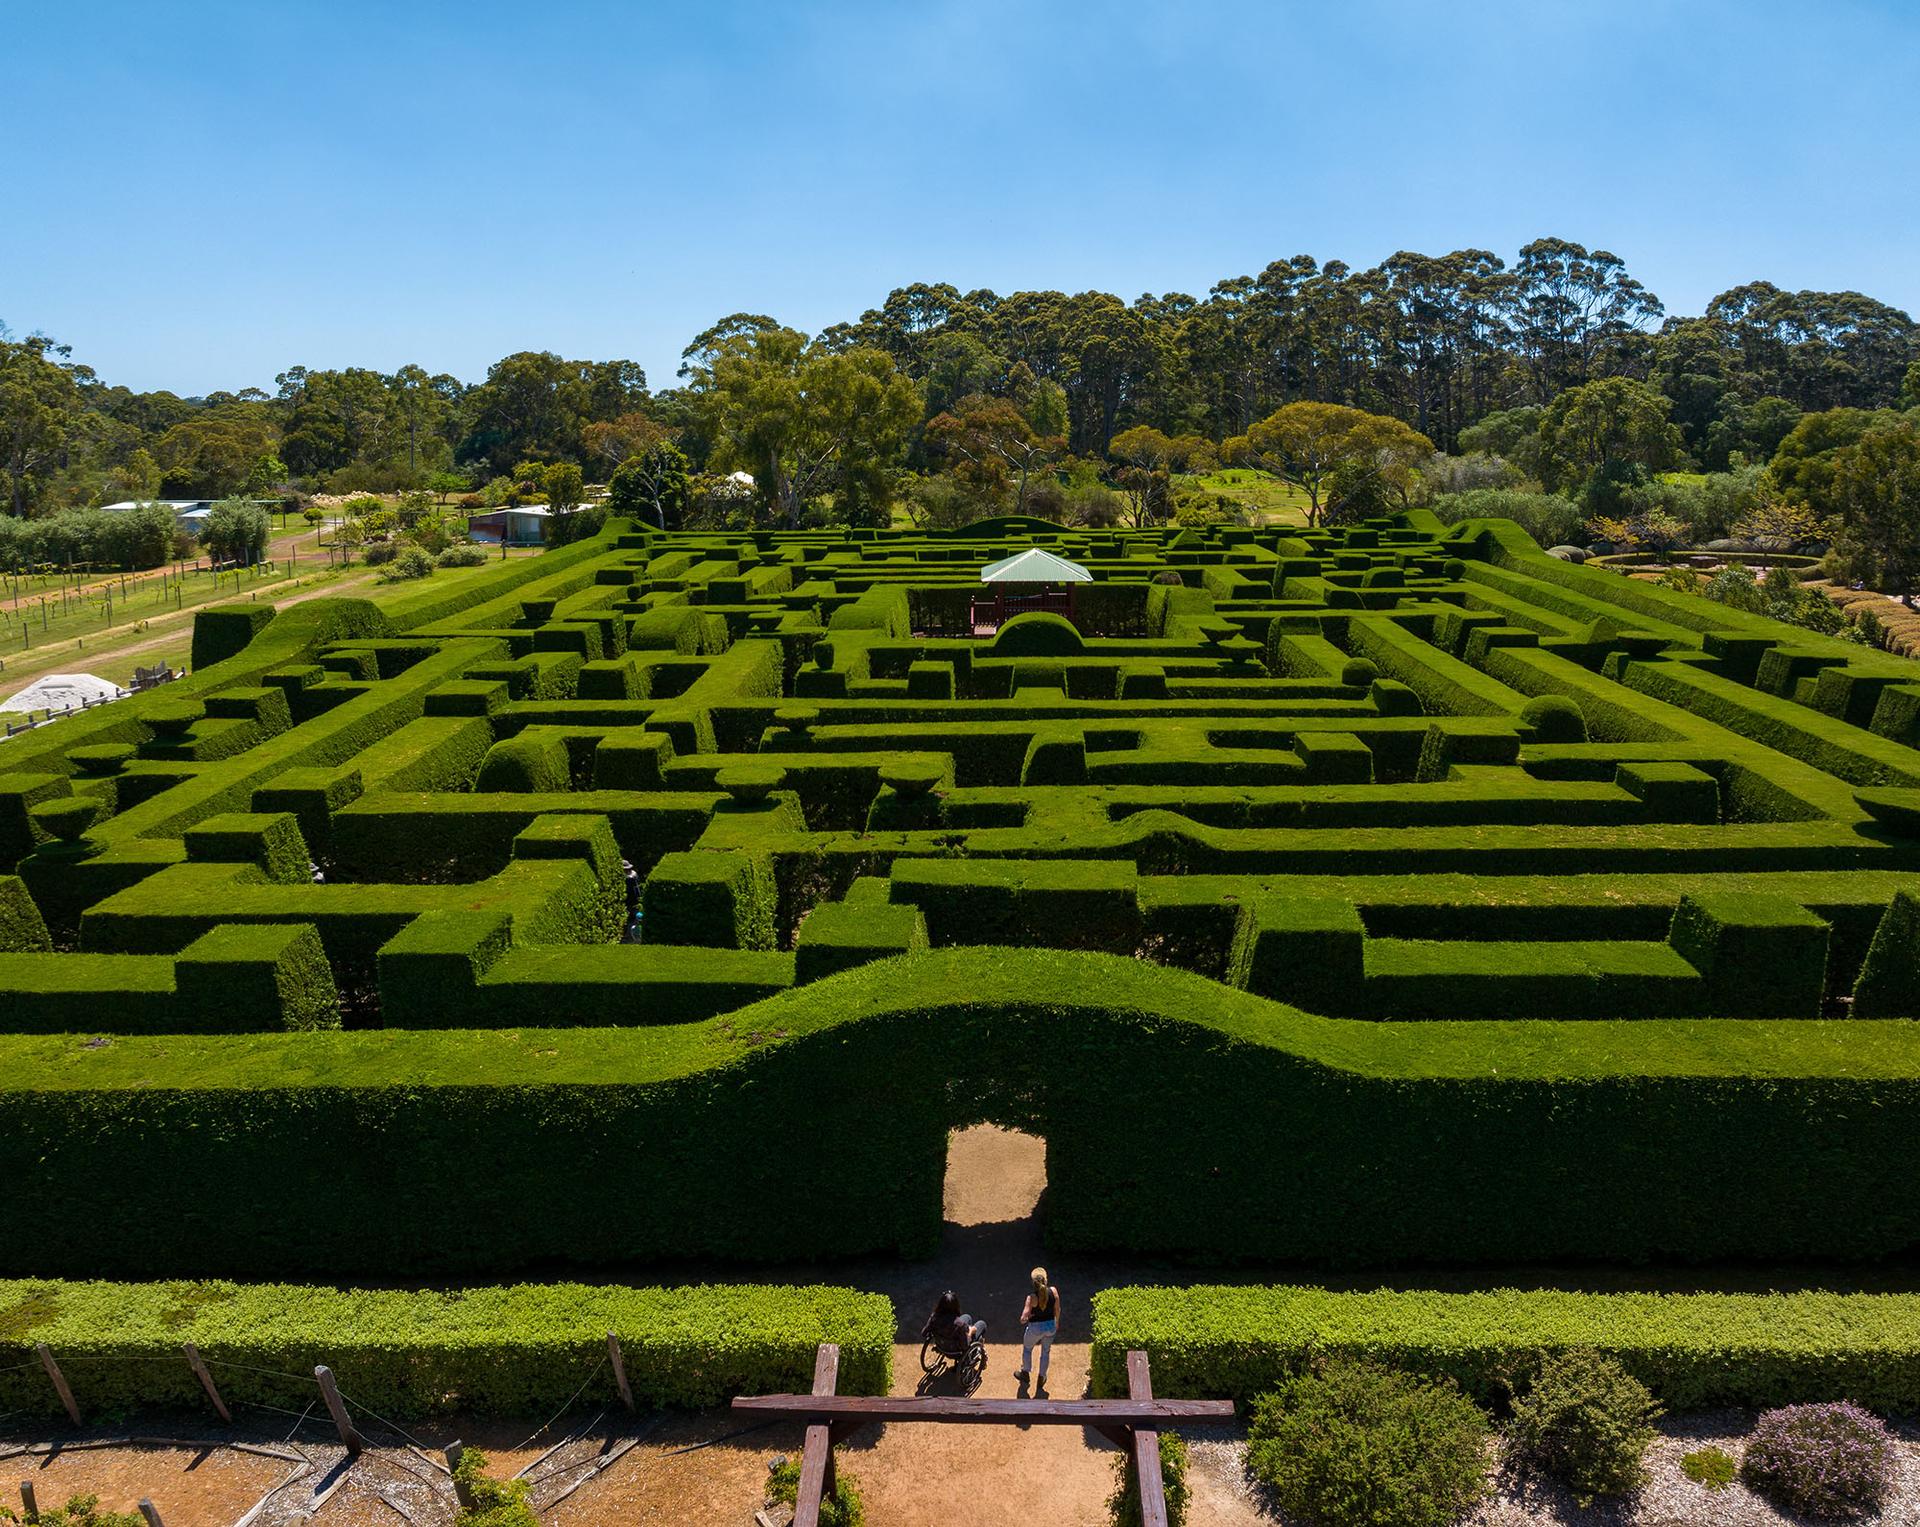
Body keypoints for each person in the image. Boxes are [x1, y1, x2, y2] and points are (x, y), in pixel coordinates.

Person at [1015, 1267, 1060, 1386]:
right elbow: (1057, 1309)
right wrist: (1056, 1322)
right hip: (1050, 1326)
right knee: (1046, 1351)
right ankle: (1042, 1377)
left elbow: (1023, 1319)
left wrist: (1027, 1317)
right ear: (1046, 1279)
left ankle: (1025, 1373)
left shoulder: (1031, 1298)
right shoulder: (1054, 1291)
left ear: (1033, 1282)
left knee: (1027, 1349)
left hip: (1035, 1329)